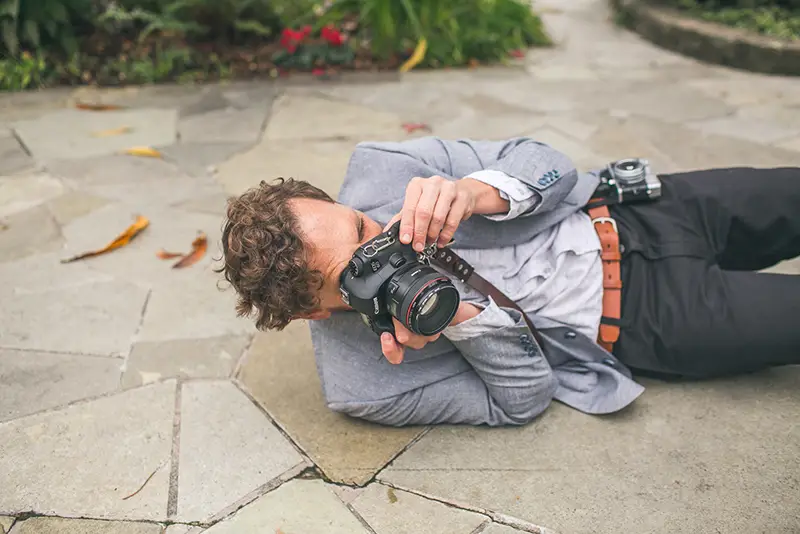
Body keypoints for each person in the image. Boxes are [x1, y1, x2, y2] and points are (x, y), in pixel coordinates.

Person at [218, 137, 800, 427]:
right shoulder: (368, 387)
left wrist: (474, 193)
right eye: (354, 274)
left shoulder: (385, 166)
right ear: (314, 312)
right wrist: (462, 324)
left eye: (360, 225)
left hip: (642, 210)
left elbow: (547, 160)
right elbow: (521, 402)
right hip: (648, 317)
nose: (380, 248)